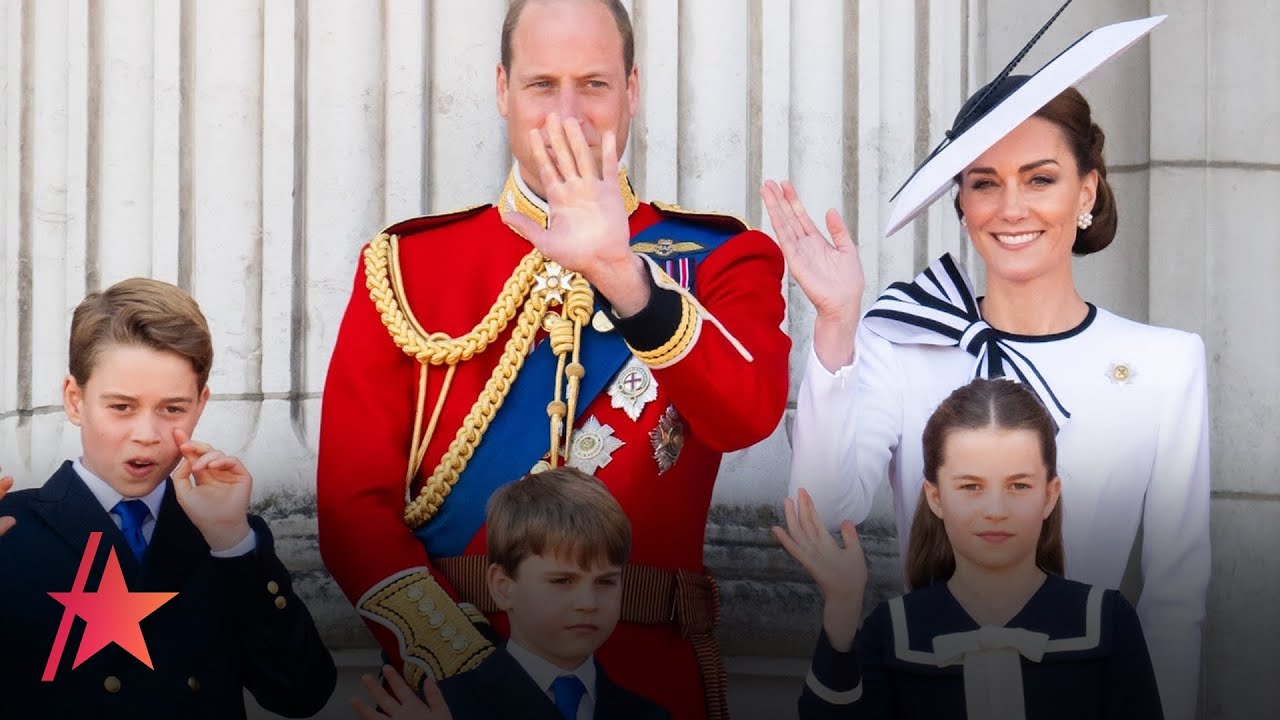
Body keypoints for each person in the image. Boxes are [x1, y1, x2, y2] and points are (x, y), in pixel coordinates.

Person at [318, 1, 789, 718]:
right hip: (451, 688)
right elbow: (353, 514)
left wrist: (627, 279)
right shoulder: (410, 268)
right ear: (503, 89)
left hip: (645, 686)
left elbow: (749, 413)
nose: (567, 117)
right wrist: (478, 681)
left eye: (593, 85)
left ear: (632, 90)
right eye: (542, 86)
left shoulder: (721, 260)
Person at [768, 13, 1206, 719]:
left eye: (1039, 179)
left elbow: (1177, 600)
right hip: (925, 687)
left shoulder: (1164, 364)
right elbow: (824, 518)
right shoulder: (901, 340)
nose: (1011, 209)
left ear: (1086, 191)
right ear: (961, 202)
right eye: (984, 182)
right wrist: (836, 327)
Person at [0, 278, 336, 719]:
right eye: (121, 407)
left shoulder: (227, 536)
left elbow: (300, 693)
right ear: (75, 399)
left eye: (172, 409)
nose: (147, 435)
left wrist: (232, 544)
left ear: (201, 403)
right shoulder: (12, 530)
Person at [777, 378, 1164, 718]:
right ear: (935, 497)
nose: (995, 511)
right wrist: (843, 609)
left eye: (1019, 486)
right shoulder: (892, 632)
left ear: (1050, 495)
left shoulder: (1106, 622)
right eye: (970, 486)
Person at [352, 467, 670, 720]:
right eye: (562, 581)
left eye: (605, 582)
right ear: (503, 587)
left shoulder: (646, 714)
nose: (588, 603)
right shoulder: (441, 706)